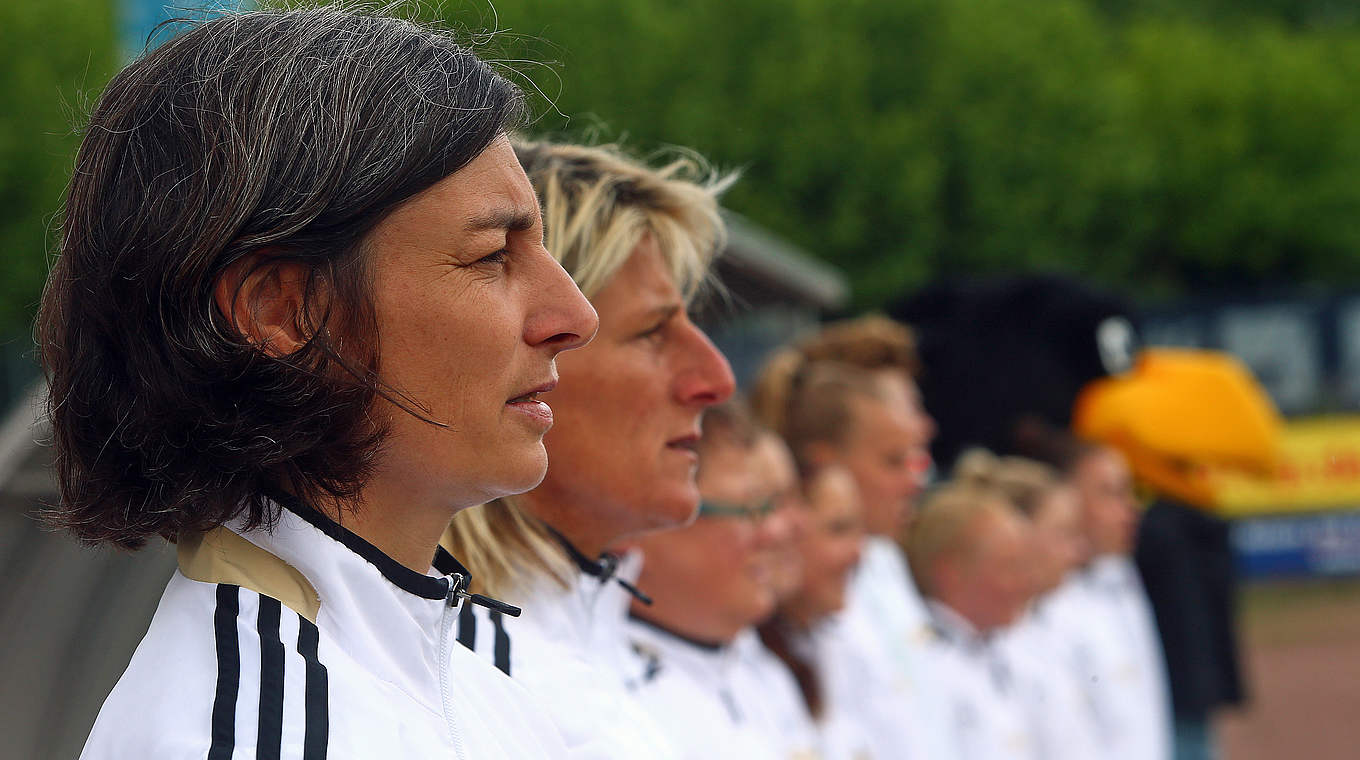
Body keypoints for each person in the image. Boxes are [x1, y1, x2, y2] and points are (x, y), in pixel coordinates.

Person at [40, 7, 601, 758]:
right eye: (491, 255)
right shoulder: (258, 730)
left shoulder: (469, 693)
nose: (574, 314)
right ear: (280, 310)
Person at [440, 140, 736, 758]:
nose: (714, 381)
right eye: (653, 332)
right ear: (536, 351)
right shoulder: (467, 689)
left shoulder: (617, 662)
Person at [752, 321, 935, 759]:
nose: (915, 480)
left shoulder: (883, 562)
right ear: (826, 462)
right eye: (894, 461)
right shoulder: (794, 594)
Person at [618, 400, 811, 760]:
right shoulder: (613, 698)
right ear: (643, 526)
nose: (777, 531)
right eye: (749, 509)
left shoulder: (761, 671)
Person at [953, 450, 1104, 760]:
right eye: (1063, 533)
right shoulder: (990, 642)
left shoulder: (1047, 627)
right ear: (1016, 534)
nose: (1077, 552)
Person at [906, 483, 1039, 760]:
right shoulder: (922, 663)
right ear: (952, 573)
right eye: (1008, 566)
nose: (1024, 583)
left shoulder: (1001, 650)